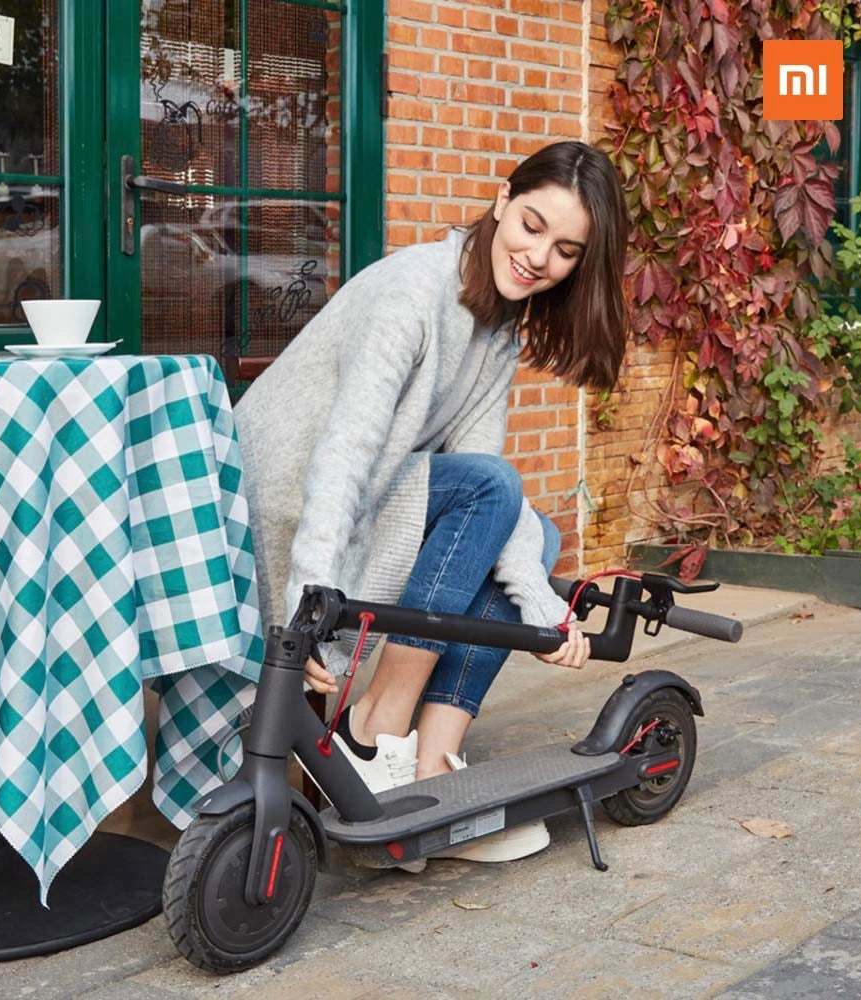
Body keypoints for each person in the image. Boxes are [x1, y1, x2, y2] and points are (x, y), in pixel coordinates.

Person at [234, 140, 630, 864]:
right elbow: (345, 451)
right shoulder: (412, 295)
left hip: (377, 491)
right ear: (501, 201)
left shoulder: (500, 325)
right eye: (532, 226)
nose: (540, 258)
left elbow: (483, 475)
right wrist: (306, 593)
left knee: (532, 535)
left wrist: (543, 604)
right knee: (498, 496)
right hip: (290, 496)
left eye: (566, 249)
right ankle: (373, 731)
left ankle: (430, 768)